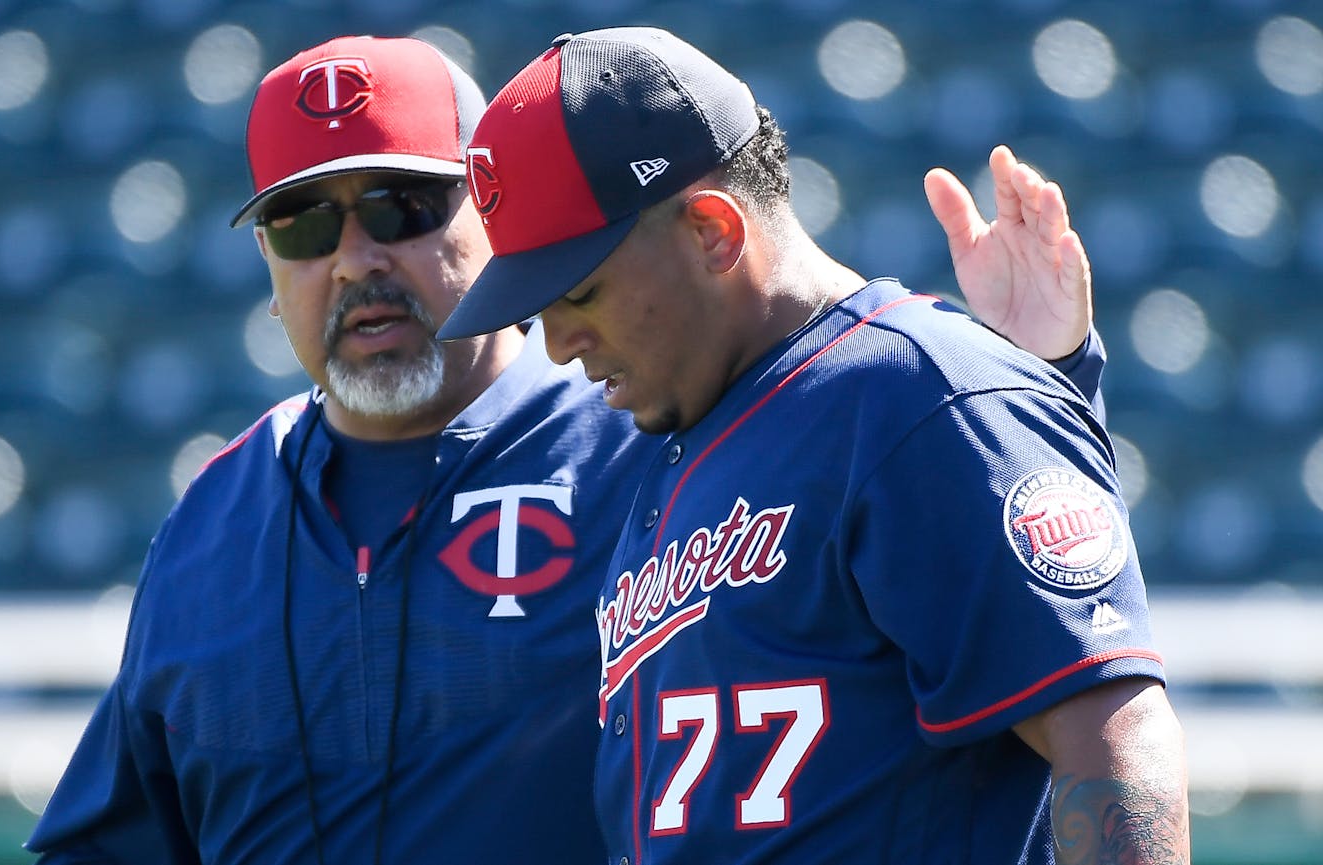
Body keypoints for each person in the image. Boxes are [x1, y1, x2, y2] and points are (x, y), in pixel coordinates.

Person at [25, 33, 1110, 865]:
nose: (357, 256)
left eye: (403, 204)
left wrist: (1045, 380)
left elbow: (1021, 592)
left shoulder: (665, 426)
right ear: (267, 264)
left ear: (496, 210)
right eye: (303, 225)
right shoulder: (208, 526)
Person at [437, 26, 1188, 865]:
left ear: (713, 231)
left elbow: (1115, 743)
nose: (559, 343)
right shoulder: (677, 436)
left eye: (578, 291)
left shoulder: (922, 397)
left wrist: (1039, 382)